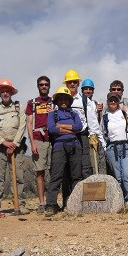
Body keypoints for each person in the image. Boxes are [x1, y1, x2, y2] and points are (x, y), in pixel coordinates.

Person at [0, 79, 28, 214]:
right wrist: (4, 142)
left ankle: (20, 204)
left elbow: (22, 126)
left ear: (11, 92)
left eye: (7, 91)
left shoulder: (18, 107)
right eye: (2, 91)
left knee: (18, 176)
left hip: (17, 146)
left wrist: (14, 144)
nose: (5, 93)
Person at [45, 87, 83, 217]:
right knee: (57, 176)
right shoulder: (52, 114)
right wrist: (71, 131)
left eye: (66, 99)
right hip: (59, 147)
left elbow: (79, 127)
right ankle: (50, 205)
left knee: (76, 176)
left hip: (75, 146)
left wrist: (61, 126)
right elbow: (51, 129)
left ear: (69, 100)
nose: (63, 101)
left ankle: (73, 204)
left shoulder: (74, 114)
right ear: (56, 101)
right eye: (60, 99)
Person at [64, 70, 106, 178]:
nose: (72, 84)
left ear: (78, 83)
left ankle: (89, 191)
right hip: (66, 136)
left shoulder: (86, 101)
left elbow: (92, 120)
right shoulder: (62, 99)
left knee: (86, 165)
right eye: (69, 82)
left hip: (82, 136)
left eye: (74, 82)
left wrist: (93, 135)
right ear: (66, 84)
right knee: (70, 166)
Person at [102, 92, 128, 204]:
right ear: (107, 102)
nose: (113, 102)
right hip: (112, 147)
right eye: (111, 100)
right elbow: (101, 132)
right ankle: (120, 199)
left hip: (125, 146)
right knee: (117, 176)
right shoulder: (105, 116)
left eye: (115, 100)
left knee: (126, 174)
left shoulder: (124, 113)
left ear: (118, 101)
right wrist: (104, 147)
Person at [108, 80, 128, 201]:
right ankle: (119, 195)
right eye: (114, 89)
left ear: (122, 91)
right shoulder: (108, 104)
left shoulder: (127, 103)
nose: (116, 92)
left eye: (119, 89)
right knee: (117, 172)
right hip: (112, 142)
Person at [26, 76, 52, 213]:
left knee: (55, 171)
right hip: (38, 139)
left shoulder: (55, 102)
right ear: (38, 86)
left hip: (53, 139)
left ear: (49, 86)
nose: (44, 86)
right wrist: (32, 143)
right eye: (41, 84)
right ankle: (42, 203)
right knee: (39, 172)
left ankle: (52, 201)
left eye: (46, 84)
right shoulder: (32, 103)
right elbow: (29, 124)